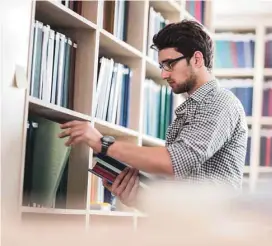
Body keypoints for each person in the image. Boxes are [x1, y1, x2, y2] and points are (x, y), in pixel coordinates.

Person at [58, 20, 248, 207]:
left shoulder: (220, 102)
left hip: (213, 234)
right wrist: (137, 198)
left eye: (170, 64)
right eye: (161, 66)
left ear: (197, 59)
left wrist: (103, 144)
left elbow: (176, 162)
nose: (164, 74)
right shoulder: (191, 110)